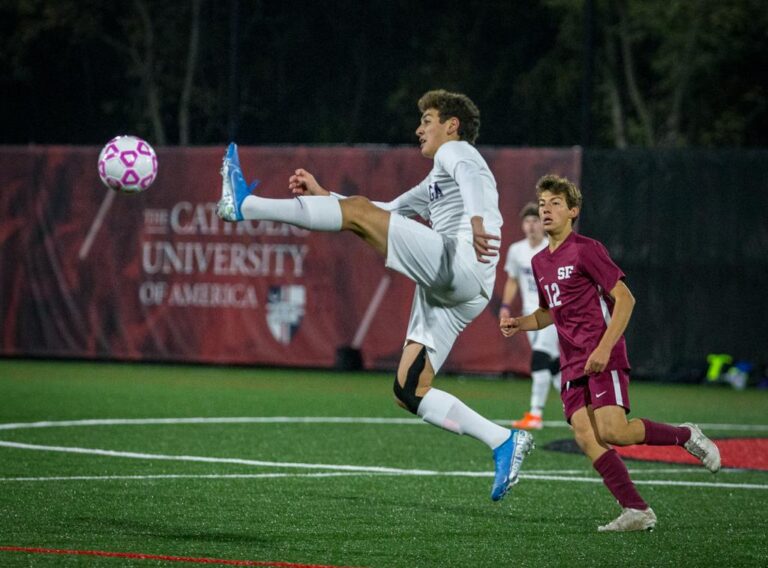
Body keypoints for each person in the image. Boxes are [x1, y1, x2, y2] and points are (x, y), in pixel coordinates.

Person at [217, 89, 533, 501]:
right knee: (409, 390)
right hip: (461, 288)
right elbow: (384, 209)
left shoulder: (456, 152)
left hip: (461, 262)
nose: (419, 129)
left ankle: (245, 205)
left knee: (361, 214)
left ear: (451, 125)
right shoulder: (437, 177)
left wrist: (475, 222)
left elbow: (468, 182)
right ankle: (504, 441)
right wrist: (325, 194)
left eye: (427, 120)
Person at [500, 174, 721, 531]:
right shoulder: (540, 262)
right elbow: (548, 312)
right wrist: (520, 323)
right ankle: (636, 509)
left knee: (614, 430)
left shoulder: (587, 249)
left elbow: (625, 299)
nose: (546, 210)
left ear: (573, 211)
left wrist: (603, 348)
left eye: (555, 204)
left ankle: (686, 435)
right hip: (572, 362)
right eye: (542, 204)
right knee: (586, 437)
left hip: (601, 353)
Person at [500, 202, 561, 430]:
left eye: (536, 220)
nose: (531, 225)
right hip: (528, 314)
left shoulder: (553, 249)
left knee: (539, 358)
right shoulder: (517, 250)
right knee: (554, 365)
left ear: (543, 225)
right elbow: (513, 279)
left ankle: (535, 414)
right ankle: (576, 411)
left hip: (550, 312)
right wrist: (506, 305)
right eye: (527, 221)